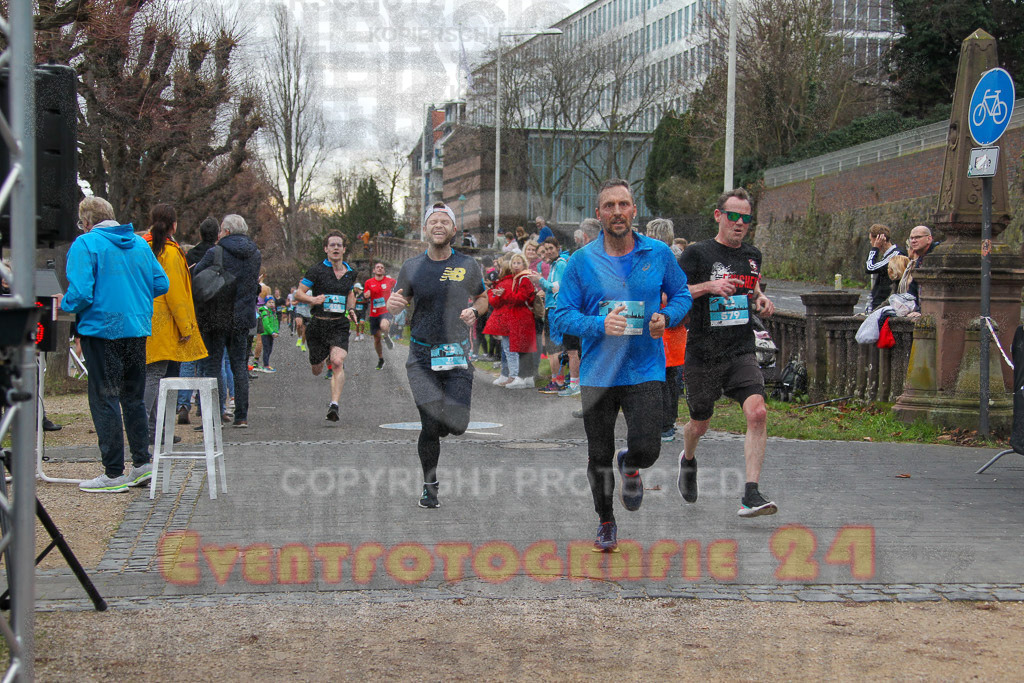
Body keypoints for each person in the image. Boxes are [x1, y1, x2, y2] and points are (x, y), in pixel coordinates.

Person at [551, 179, 692, 553]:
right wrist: (599, 325)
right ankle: (606, 521)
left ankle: (630, 465)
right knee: (598, 454)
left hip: (644, 367)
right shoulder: (582, 261)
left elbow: (681, 295)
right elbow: (562, 314)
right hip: (599, 373)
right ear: (599, 214)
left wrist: (668, 316)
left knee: (648, 448)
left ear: (633, 211)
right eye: (609, 206)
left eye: (623, 204)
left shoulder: (659, 253)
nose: (617, 211)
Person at [677, 187, 778, 518]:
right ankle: (688, 459)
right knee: (700, 424)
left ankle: (751, 494)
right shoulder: (697, 254)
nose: (739, 223)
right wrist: (709, 287)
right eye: (733, 216)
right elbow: (673, 294)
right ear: (718, 216)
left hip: (740, 349)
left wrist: (759, 299)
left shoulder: (753, 255)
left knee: (758, 412)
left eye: (746, 218)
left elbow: (753, 284)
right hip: (703, 352)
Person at [61, 196, 169, 492]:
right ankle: (142, 464)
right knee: (132, 397)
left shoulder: (85, 244)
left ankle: (112, 473)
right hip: (135, 328)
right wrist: (133, 295)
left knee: (104, 399)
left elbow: (81, 292)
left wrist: (64, 303)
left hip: (102, 330)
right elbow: (162, 283)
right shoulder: (138, 244)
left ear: (85, 221)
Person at [387, 202, 487, 509]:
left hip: (456, 354)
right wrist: (393, 305)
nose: (439, 225)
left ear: (454, 229)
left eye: (445, 221)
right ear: (426, 229)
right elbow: (398, 299)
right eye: (434, 221)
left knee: (456, 425)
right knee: (429, 426)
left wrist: (474, 310)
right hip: (421, 356)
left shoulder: (468, 265)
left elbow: (483, 297)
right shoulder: (412, 266)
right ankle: (430, 485)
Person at [142, 204, 208, 441]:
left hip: (143, 320)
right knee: (155, 380)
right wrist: (186, 326)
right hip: (164, 325)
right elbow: (176, 293)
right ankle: (146, 432)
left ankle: (155, 432)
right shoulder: (169, 252)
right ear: (173, 225)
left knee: (153, 378)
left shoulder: (143, 247)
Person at [193, 214, 261, 428]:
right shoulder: (255, 254)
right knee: (239, 365)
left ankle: (216, 415)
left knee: (214, 366)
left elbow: (198, 274)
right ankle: (241, 416)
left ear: (227, 231)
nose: (219, 234)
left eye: (221, 230)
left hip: (217, 316)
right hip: (243, 317)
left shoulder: (216, 252)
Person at [295, 231, 358, 422]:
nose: (336, 248)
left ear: (344, 249)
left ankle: (334, 405)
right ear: (326, 249)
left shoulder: (350, 272)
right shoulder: (316, 271)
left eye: (339, 245)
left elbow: (349, 293)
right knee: (317, 368)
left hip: (339, 324)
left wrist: (352, 309)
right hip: (318, 325)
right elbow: (299, 294)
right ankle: (319, 359)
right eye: (332, 245)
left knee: (337, 361)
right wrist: (313, 299)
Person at [646, 218, 688, 442]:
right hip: (668, 330)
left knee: (666, 381)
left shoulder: (669, 260)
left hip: (668, 328)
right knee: (667, 381)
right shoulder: (677, 258)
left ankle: (666, 425)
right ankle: (664, 423)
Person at [177, 217, 221, 423]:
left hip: (191, 310)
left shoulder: (189, 255)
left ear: (200, 234)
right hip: (212, 312)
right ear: (217, 235)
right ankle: (203, 407)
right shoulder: (219, 255)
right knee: (207, 362)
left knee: (188, 359)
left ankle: (183, 403)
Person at [562, 217, 602, 401]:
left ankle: (590, 401)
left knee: (587, 356)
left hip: (590, 320)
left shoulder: (581, 259)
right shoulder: (610, 255)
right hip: (612, 319)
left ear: (584, 236)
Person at [484, 253, 537, 389]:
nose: (516, 266)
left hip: (519, 316)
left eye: (519, 263)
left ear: (524, 264)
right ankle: (524, 377)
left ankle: (517, 376)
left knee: (515, 348)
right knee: (520, 347)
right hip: (519, 316)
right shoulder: (518, 279)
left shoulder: (522, 279)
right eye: (514, 263)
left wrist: (498, 293)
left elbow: (519, 298)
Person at [528, 238, 569, 393]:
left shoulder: (560, 264)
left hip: (555, 309)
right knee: (552, 348)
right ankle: (555, 380)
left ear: (558, 247)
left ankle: (558, 381)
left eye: (551, 248)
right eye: (545, 250)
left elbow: (558, 287)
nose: (548, 252)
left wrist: (541, 281)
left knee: (555, 348)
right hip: (550, 307)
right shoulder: (554, 264)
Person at [364, 261, 397, 370]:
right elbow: (365, 294)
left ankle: (386, 336)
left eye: (382, 267)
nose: (379, 269)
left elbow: (401, 285)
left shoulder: (389, 281)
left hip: (386, 311)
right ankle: (381, 358)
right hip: (374, 313)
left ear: (384, 270)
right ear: (374, 270)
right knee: (377, 339)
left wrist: (396, 294)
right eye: (377, 267)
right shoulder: (369, 282)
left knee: (384, 326)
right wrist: (366, 295)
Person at [865, 223, 904, 314]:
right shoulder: (888, 255)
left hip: (885, 303)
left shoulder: (895, 254)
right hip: (879, 302)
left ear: (878, 239)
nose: (871, 243)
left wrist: (875, 249)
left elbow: (870, 268)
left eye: (871, 240)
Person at [905, 224, 939, 306]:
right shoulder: (920, 259)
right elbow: (913, 287)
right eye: (911, 238)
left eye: (918, 237)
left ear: (929, 239)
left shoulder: (937, 255)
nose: (913, 241)